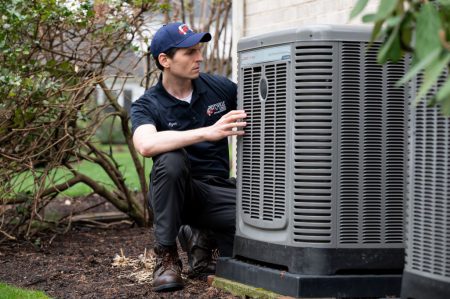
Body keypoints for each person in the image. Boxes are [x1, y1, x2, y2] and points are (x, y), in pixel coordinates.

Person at [130, 22, 247, 292]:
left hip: (217, 191)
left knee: (260, 217)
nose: (200, 57)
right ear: (165, 60)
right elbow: (146, 145)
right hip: (177, 195)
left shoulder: (219, 89)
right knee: (170, 158)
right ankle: (167, 258)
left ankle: (200, 239)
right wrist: (208, 132)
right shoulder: (148, 104)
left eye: (199, 50)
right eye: (190, 52)